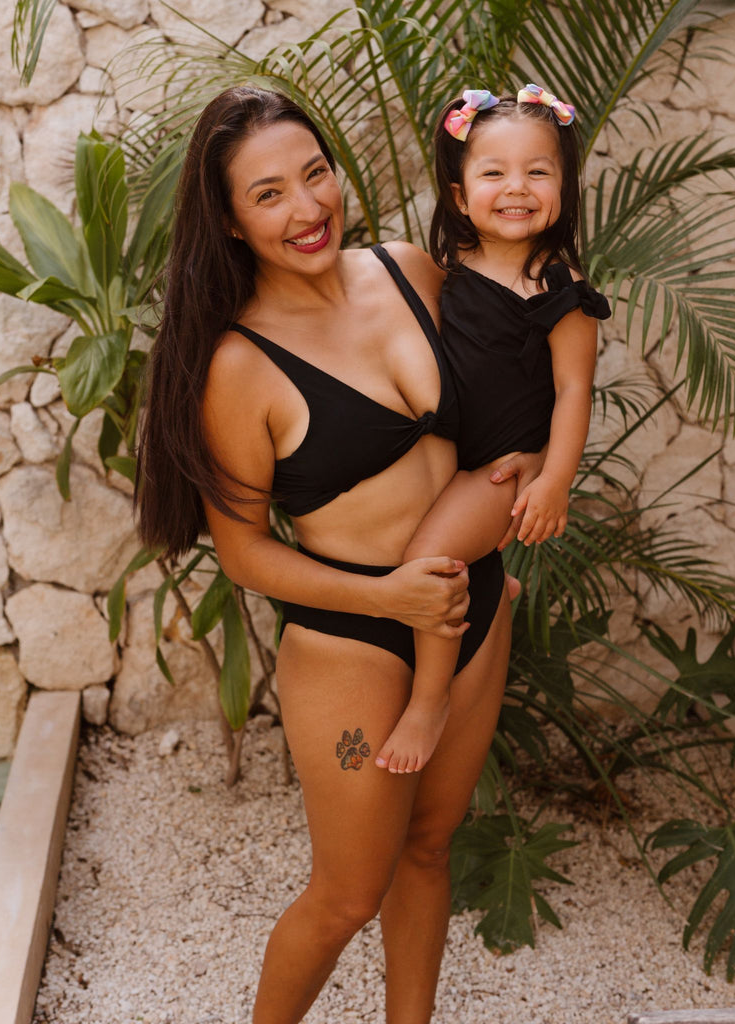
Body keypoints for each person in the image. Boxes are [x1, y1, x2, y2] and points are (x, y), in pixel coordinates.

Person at [134, 85, 545, 1024]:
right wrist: (393, 599)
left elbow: (492, 402)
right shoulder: (240, 369)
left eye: (315, 173)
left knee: (432, 849)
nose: (308, 207)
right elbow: (243, 554)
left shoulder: (410, 269)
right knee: (347, 896)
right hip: (354, 639)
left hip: (471, 608)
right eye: (268, 194)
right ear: (231, 222)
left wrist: (511, 484)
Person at [374, 86, 611, 775]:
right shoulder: (445, 274)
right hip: (446, 460)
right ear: (458, 192)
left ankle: (429, 699)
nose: (517, 188)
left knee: (428, 558)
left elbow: (574, 389)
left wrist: (554, 478)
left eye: (538, 172)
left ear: (564, 186)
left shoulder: (558, 285)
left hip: (496, 469)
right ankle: (491, 580)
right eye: (493, 172)